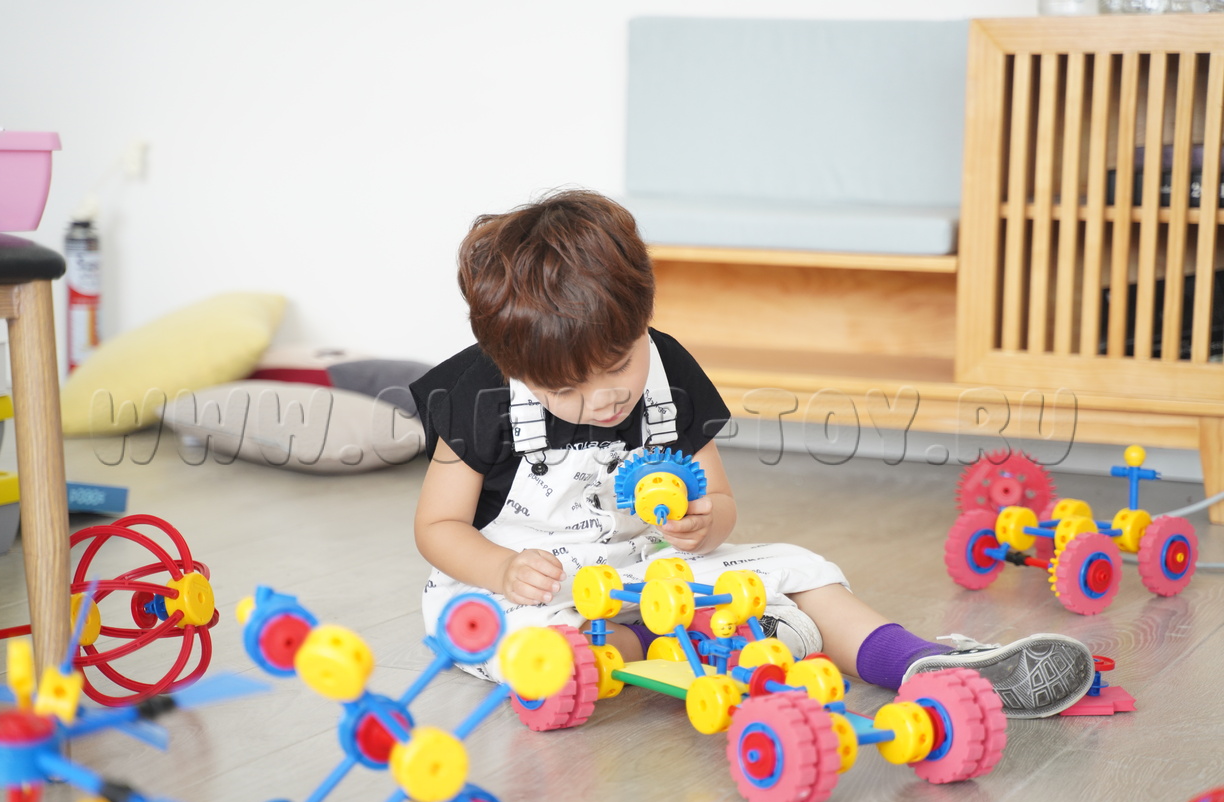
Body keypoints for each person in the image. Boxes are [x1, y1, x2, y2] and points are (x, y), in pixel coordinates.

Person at [410, 188, 1094, 718]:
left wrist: (704, 524)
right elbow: (438, 527)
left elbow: (719, 500)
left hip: (651, 572)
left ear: (644, 315)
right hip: (530, 587)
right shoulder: (478, 390)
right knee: (537, 643)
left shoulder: (668, 371)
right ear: (513, 367)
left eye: (618, 365)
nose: (603, 399)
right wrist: (502, 568)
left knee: (799, 572)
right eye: (565, 390)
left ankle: (919, 662)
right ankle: (640, 649)